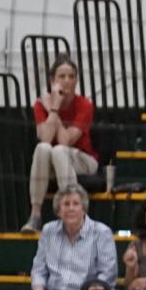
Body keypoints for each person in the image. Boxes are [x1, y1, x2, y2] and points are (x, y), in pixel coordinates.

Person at [21, 184, 119, 290]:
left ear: (83, 208)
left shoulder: (101, 232)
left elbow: (108, 274)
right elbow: (39, 268)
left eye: (75, 204)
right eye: (66, 204)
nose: (71, 208)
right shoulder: (48, 231)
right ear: (58, 210)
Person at [24, 55, 98, 231]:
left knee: (58, 151)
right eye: (62, 76)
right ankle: (35, 215)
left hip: (83, 160)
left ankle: (72, 213)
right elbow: (45, 138)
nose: (67, 81)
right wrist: (54, 108)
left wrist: (53, 107)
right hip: (52, 161)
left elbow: (66, 141)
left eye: (71, 77)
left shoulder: (84, 105)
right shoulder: (39, 105)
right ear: (52, 80)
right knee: (43, 148)